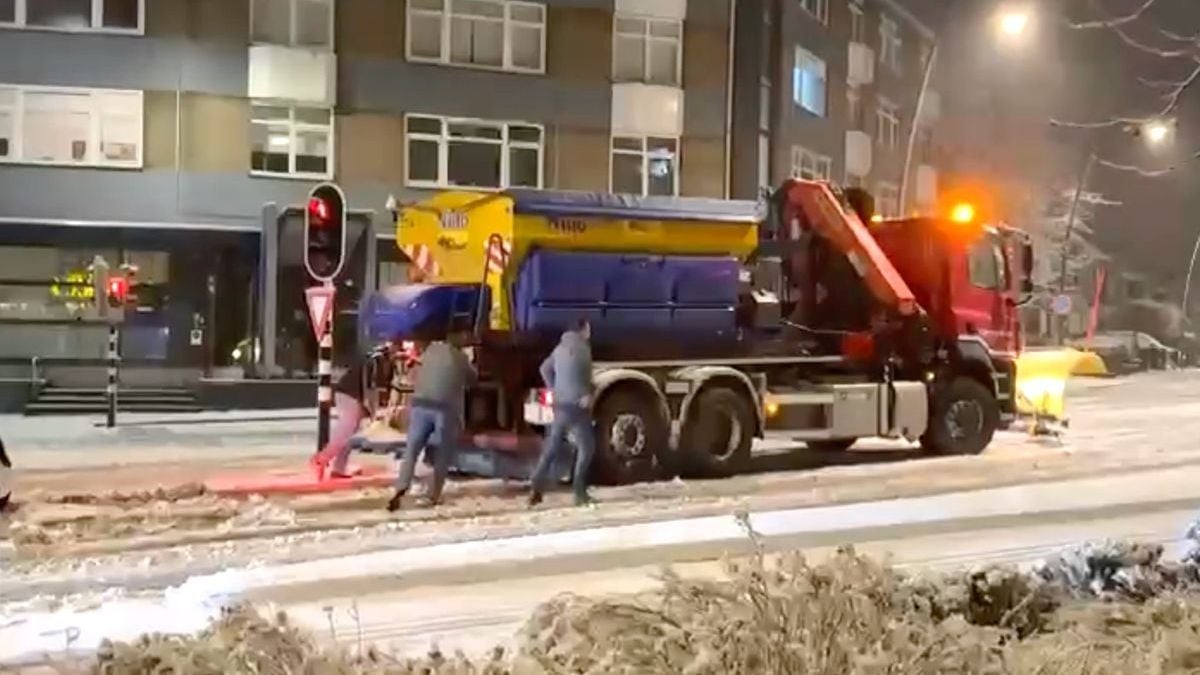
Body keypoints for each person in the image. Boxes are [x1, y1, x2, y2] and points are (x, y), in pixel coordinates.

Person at [387, 330, 477, 511]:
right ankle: (433, 495)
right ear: (460, 341)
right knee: (443, 453)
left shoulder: (430, 351)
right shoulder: (460, 358)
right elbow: (472, 380)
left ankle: (400, 488)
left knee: (412, 450)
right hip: (444, 409)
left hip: (420, 405)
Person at [529, 319, 596, 508]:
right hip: (577, 406)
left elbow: (544, 368)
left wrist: (554, 388)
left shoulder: (559, 348)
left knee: (552, 447)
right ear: (584, 330)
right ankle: (579, 491)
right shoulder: (583, 349)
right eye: (588, 329)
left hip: (560, 404)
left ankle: (536, 487)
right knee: (587, 447)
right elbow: (585, 377)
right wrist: (587, 394)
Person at [312, 344, 396, 479]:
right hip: (350, 395)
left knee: (348, 434)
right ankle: (321, 459)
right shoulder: (377, 360)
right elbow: (371, 385)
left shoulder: (378, 359)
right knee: (346, 430)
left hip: (351, 394)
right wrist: (373, 409)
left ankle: (338, 468)